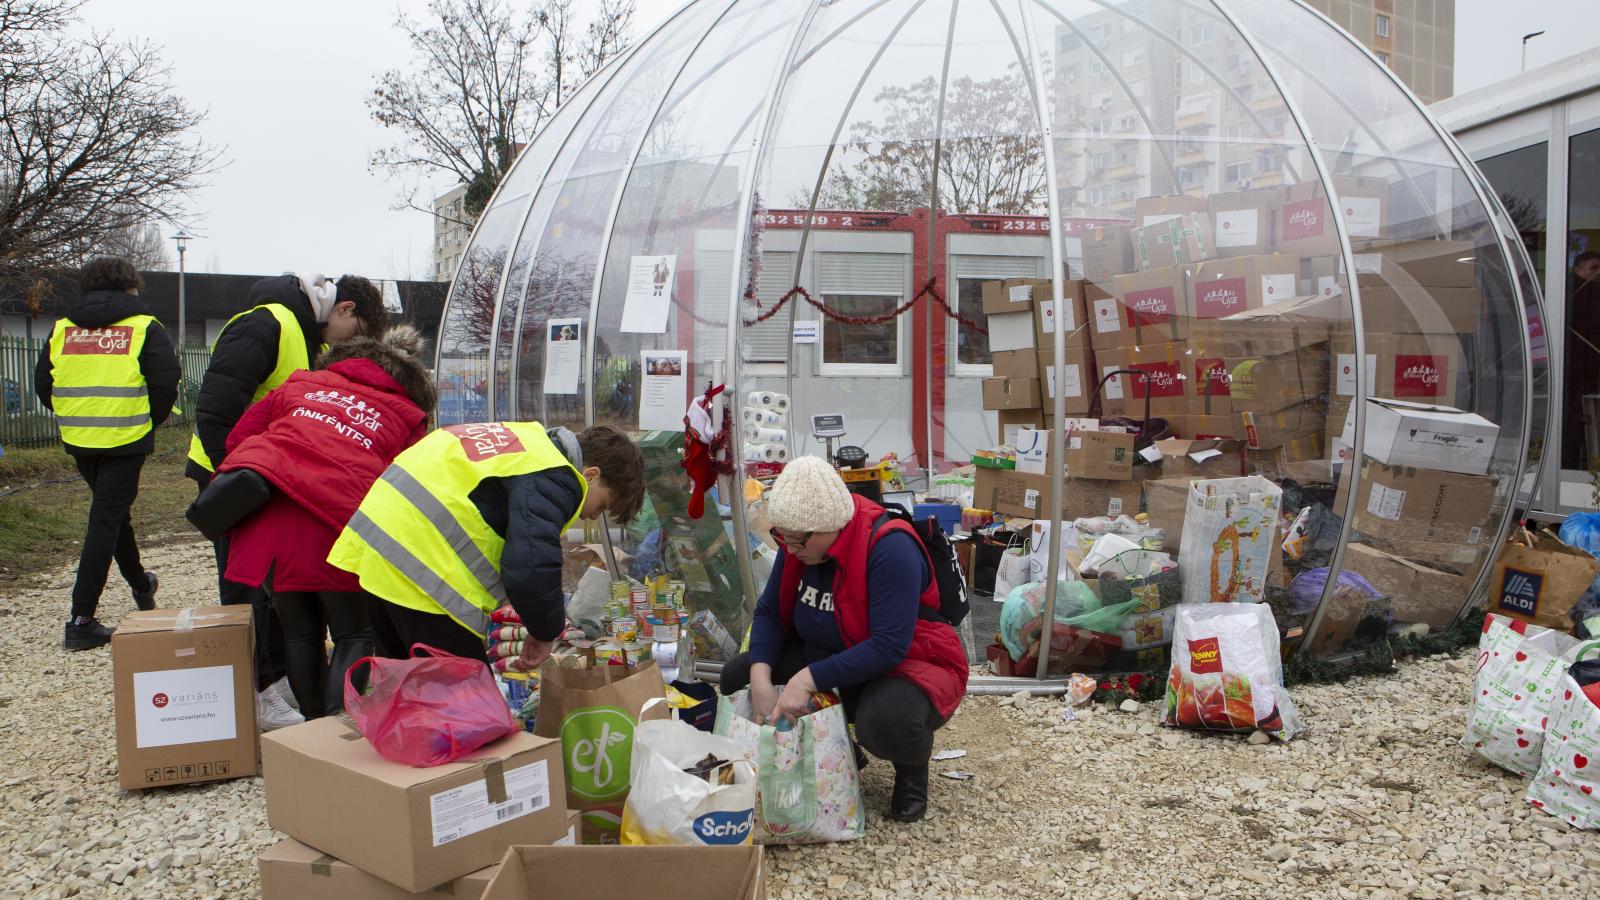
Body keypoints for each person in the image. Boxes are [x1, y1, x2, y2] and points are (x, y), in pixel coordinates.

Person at [186, 272, 389, 729]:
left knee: (280, 599)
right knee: (246, 590)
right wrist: (239, 479)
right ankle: (259, 691)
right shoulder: (271, 323)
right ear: (345, 310)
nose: (346, 347)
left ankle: (281, 691)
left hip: (265, 475)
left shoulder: (301, 332)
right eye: (352, 335)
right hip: (237, 476)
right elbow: (217, 409)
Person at [719, 456, 968, 823]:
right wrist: (760, 681)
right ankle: (837, 751)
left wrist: (804, 681)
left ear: (827, 527)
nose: (789, 550)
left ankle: (911, 772)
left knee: (885, 723)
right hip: (831, 652)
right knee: (736, 676)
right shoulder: (798, 542)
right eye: (782, 539)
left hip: (904, 664)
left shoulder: (889, 548)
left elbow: (888, 646)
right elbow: (770, 613)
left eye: (797, 541)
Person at [217, 325, 434, 718]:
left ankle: (312, 730)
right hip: (341, 526)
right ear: (409, 380)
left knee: (300, 634)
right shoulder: (406, 415)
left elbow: (238, 440)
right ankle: (337, 733)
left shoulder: (299, 385)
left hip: (271, 521)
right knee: (354, 633)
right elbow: (411, 485)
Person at [328, 423, 646, 670]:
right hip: (422, 569)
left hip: (380, 550)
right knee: (468, 710)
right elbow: (530, 567)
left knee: (408, 689)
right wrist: (546, 631)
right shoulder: (557, 477)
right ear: (590, 475)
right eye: (603, 505)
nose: (592, 516)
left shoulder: (527, 442)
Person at [34, 258, 179, 651]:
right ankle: (81, 620)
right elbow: (166, 384)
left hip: (79, 438)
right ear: (131, 287)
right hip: (126, 438)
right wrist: (147, 419)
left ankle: (140, 584)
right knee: (104, 520)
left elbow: (42, 382)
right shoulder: (145, 326)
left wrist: (76, 412)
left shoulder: (62, 328)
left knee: (112, 515)